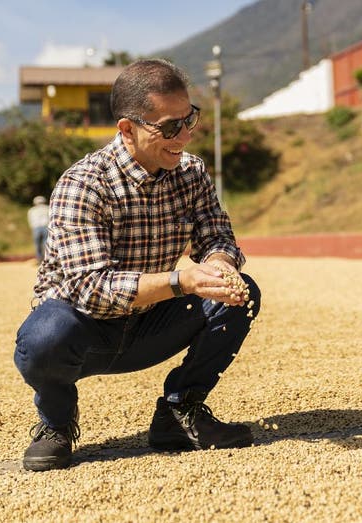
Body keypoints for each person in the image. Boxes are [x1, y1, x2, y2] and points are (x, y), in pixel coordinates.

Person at [14, 59, 262, 472]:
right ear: (127, 129)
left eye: (189, 119)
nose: (184, 136)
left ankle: (179, 412)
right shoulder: (84, 183)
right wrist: (184, 279)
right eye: (169, 127)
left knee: (241, 293)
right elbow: (92, 289)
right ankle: (55, 422)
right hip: (84, 329)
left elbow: (217, 237)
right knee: (44, 336)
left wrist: (219, 267)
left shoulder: (191, 171)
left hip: (150, 323)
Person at [27, 195, 49, 262]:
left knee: (37, 244)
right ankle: (46, 259)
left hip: (37, 228)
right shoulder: (48, 208)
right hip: (46, 227)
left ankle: (39, 259)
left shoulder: (32, 210)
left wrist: (33, 227)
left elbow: (30, 220)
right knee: (46, 244)